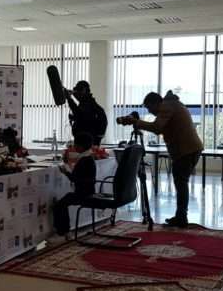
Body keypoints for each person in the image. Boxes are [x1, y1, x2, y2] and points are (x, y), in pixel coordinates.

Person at [118, 91, 203, 228]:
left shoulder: (167, 106)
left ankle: (181, 218)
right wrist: (137, 122)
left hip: (186, 150)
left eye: (149, 107)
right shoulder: (173, 104)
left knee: (181, 183)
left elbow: (157, 128)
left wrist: (136, 122)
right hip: (189, 148)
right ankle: (181, 216)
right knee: (181, 183)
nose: (149, 111)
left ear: (156, 103)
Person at [53, 132, 96, 236]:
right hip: (89, 191)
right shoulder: (89, 158)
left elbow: (75, 179)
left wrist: (65, 172)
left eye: (75, 145)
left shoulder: (83, 160)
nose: (74, 147)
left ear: (81, 146)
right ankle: (64, 231)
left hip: (82, 194)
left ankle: (63, 232)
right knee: (62, 202)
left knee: (59, 205)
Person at [65, 81, 108, 146]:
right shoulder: (88, 103)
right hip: (86, 141)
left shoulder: (88, 104)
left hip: (87, 143)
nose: (76, 94)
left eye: (79, 91)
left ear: (84, 90)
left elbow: (79, 114)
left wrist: (69, 99)